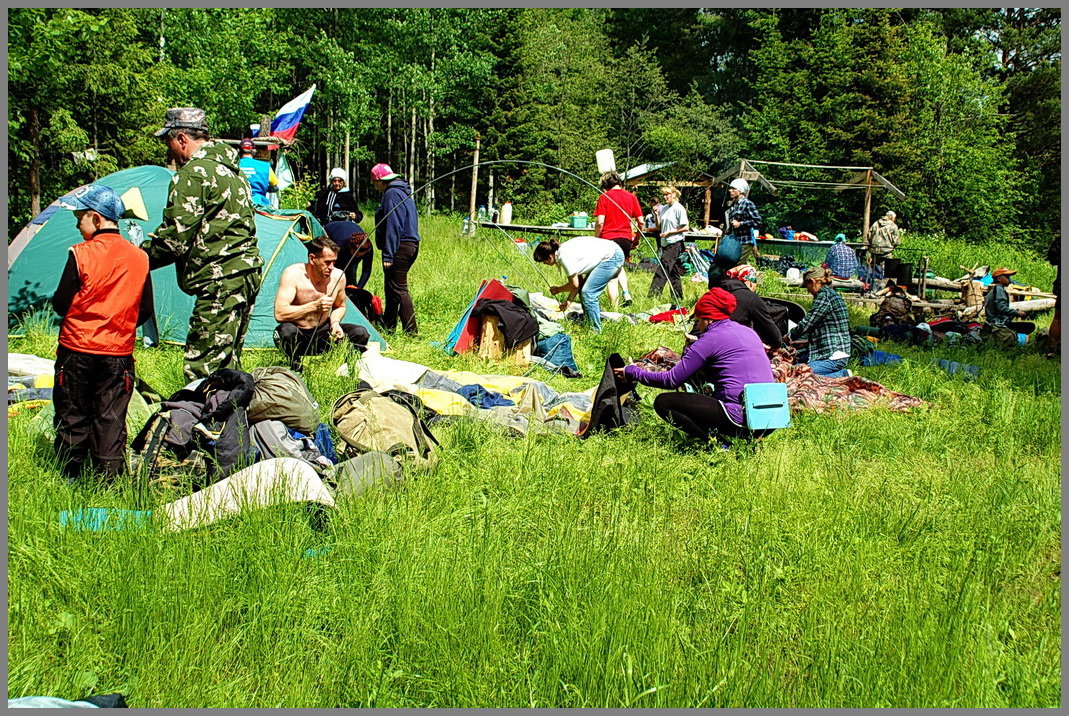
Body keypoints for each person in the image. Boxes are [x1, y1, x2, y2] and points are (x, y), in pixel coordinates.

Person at [143, 107, 263, 382]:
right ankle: (232, 420)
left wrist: (136, 259)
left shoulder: (193, 173)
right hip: (245, 273)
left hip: (220, 277)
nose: (169, 149)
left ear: (182, 138)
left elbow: (174, 240)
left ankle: (202, 421)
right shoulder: (233, 172)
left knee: (204, 368)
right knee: (229, 364)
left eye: (169, 141)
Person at [52, 185, 152, 482]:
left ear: (96, 219)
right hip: (118, 353)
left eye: (79, 217)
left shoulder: (81, 253)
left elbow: (61, 303)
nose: (76, 224)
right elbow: (144, 309)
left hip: (76, 349)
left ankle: (70, 473)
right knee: (110, 416)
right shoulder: (140, 257)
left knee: (73, 411)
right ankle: (107, 477)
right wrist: (116, 324)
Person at [614, 287, 777, 447]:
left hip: (739, 417)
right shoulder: (749, 332)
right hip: (772, 418)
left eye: (698, 321)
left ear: (709, 319)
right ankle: (751, 442)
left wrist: (633, 371)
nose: (698, 327)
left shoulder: (709, 339)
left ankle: (719, 445)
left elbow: (671, 380)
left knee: (664, 402)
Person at [273, 236, 370, 370]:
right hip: (299, 333)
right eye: (327, 262)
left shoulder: (338, 276)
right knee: (285, 332)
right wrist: (314, 306)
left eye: (334, 262)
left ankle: (344, 367)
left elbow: (340, 306)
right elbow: (280, 314)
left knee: (360, 333)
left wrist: (335, 323)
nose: (331, 267)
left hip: (324, 332)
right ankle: (295, 365)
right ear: (312, 259)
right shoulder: (293, 274)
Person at [533, 237, 624, 333]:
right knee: (584, 290)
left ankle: (595, 331)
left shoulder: (564, 258)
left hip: (612, 256)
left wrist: (558, 289)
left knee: (588, 293)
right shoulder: (561, 252)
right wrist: (568, 301)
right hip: (612, 251)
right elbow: (578, 283)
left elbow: (574, 284)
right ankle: (588, 320)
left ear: (550, 257)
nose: (544, 263)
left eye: (544, 261)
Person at [371, 162, 420, 334]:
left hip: (400, 246)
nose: (374, 186)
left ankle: (411, 331)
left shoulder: (392, 194)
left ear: (379, 180)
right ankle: (388, 326)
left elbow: (394, 224)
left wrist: (389, 255)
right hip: (409, 244)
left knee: (399, 289)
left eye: (374, 182)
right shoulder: (402, 192)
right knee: (391, 287)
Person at [785, 267, 852, 377]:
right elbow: (828, 330)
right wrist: (804, 343)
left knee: (800, 374)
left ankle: (841, 376)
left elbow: (807, 323)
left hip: (833, 356)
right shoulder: (829, 294)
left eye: (807, 286)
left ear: (812, 282)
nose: (808, 291)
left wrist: (788, 337)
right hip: (833, 352)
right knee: (797, 364)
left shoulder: (824, 297)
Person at [593, 171, 642, 306]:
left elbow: (600, 222)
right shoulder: (631, 197)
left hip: (608, 239)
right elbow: (641, 221)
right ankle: (626, 293)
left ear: (606, 184)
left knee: (611, 276)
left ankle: (615, 309)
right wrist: (636, 239)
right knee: (619, 265)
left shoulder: (604, 197)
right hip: (625, 239)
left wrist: (596, 239)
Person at [710, 264, 782, 347]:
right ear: (751, 282)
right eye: (755, 281)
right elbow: (775, 338)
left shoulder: (714, 293)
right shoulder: (751, 298)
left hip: (704, 341)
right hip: (728, 346)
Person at [648, 185, 690, 302]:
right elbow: (658, 226)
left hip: (675, 243)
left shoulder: (679, 208)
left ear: (674, 194)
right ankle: (678, 296)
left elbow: (686, 227)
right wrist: (656, 215)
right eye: (664, 195)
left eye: (667, 194)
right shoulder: (664, 208)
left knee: (662, 269)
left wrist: (670, 232)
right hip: (665, 243)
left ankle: (653, 296)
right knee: (672, 272)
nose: (665, 197)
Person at [983, 266, 1027, 348]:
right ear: (999, 278)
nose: (1009, 279)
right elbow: (1001, 308)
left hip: (993, 322)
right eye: (1007, 277)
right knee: (1029, 327)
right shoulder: (999, 289)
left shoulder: (995, 289)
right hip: (997, 323)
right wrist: (1017, 313)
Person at [725, 178, 763, 266]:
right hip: (734, 241)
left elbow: (758, 221)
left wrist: (740, 224)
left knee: (736, 266)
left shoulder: (747, 204)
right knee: (730, 264)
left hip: (745, 242)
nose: (730, 191)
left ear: (741, 191)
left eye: (733, 189)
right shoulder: (733, 204)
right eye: (730, 189)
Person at [237, 138, 278, 208]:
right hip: (258, 204)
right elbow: (274, 185)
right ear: (254, 151)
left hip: (237, 203)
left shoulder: (232, 165)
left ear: (239, 151)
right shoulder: (265, 166)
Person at [865, 211, 901, 280]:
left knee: (874, 269)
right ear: (892, 217)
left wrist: (872, 244)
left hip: (874, 250)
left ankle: (873, 284)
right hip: (886, 251)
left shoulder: (875, 223)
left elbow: (869, 235)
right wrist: (894, 245)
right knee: (887, 270)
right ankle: (883, 284)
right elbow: (896, 241)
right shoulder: (893, 226)